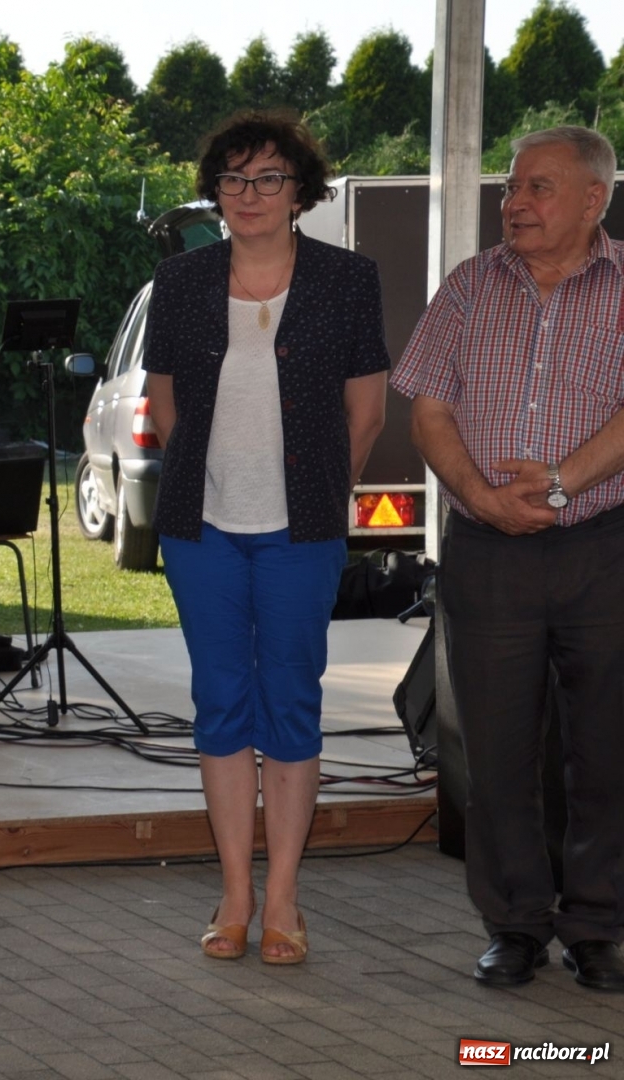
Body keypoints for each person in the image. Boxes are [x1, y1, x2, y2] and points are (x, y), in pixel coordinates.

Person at [145, 110, 388, 966]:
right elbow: (166, 401)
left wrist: (321, 489)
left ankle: (283, 896)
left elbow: (366, 409)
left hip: (302, 530)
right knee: (220, 701)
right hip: (201, 531)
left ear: (299, 193)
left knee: (288, 700)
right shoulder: (179, 283)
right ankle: (234, 894)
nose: (248, 195)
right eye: (233, 179)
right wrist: (206, 480)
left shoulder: (346, 280)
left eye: (268, 179)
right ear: (214, 192)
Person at [393, 125, 624, 992]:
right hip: (487, 550)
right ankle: (514, 925)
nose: (513, 204)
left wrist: (560, 483)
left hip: (604, 547)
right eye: (509, 189)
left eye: (537, 189)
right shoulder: (467, 285)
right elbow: (426, 408)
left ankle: (597, 926)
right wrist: (481, 497)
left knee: (605, 748)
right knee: (492, 753)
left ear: (593, 199)